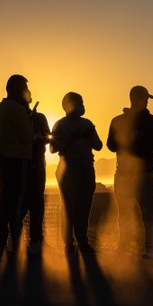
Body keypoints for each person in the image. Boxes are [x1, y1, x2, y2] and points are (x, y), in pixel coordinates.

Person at [106, 85, 153, 258]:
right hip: (139, 173)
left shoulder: (118, 120)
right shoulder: (151, 121)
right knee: (141, 213)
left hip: (126, 173)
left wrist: (129, 142)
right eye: (145, 98)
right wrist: (135, 141)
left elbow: (111, 146)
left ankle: (132, 248)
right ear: (138, 99)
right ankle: (144, 249)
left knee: (129, 213)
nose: (147, 102)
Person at [0, 74, 33, 258]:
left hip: (4, 162)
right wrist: (30, 122)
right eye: (25, 88)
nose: (28, 91)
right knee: (18, 204)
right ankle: (17, 247)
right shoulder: (17, 110)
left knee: (4, 203)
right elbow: (27, 137)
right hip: (19, 162)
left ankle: (1, 245)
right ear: (18, 90)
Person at [50, 92, 102, 255]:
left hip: (87, 169)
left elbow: (99, 145)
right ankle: (68, 243)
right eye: (79, 103)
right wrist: (71, 138)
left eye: (82, 102)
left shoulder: (87, 124)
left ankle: (83, 242)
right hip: (68, 171)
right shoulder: (60, 125)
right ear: (68, 105)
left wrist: (90, 134)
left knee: (84, 208)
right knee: (68, 208)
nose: (82, 106)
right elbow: (52, 148)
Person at [25, 101, 51, 253]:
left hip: (38, 164)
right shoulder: (16, 116)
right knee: (22, 204)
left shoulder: (39, 117)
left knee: (37, 204)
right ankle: (20, 242)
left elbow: (48, 137)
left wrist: (38, 134)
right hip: (21, 164)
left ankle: (37, 239)